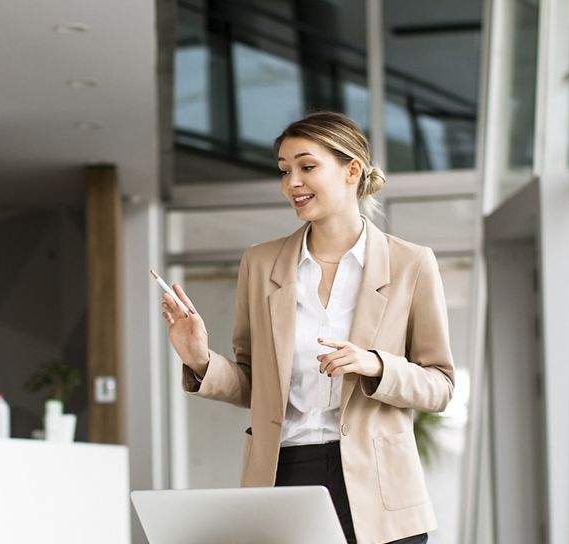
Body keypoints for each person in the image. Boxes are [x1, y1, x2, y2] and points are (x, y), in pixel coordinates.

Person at [161, 111, 454, 544]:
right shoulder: (260, 264)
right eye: (284, 170)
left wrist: (374, 365)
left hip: (380, 488)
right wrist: (200, 359)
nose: (292, 182)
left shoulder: (411, 263)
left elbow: (440, 386)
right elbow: (253, 384)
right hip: (283, 474)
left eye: (307, 166)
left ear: (352, 170)